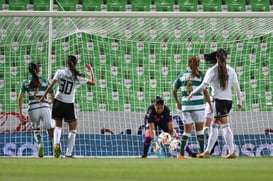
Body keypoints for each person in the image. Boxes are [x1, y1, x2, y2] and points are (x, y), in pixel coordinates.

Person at [188, 48, 242, 159]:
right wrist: (239, 101)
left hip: (218, 101)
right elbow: (237, 87)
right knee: (214, 125)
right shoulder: (231, 70)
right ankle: (207, 152)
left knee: (225, 126)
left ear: (216, 58)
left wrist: (192, 92)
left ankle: (232, 151)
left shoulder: (212, 70)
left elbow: (204, 86)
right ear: (225, 57)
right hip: (228, 101)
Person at [39, 55, 95, 158]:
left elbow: (51, 85)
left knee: (58, 126)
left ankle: (56, 144)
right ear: (76, 63)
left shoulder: (60, 72)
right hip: (69, 104)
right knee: (73, 129)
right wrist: (90, 69)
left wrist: (43, 97)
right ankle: (68, 154)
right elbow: (93, 82)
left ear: (67, 62)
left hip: (58, 102)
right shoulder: (77, 76)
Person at [173, 55, 212, 159]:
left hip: (186, 106)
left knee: (187, 132)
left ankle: (181, 154)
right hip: (198, 106)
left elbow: (174, 90)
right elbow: (205, 92)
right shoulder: (201, 75)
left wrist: (178, 102)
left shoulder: (182, 75)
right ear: (198, 64)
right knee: (199, 131)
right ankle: (202, 152)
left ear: (188, 63)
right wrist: (210, 105)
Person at [18, 62, 55, 158]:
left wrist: (21, 112)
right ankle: (56, 144)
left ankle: (40, 144)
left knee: (36, 128)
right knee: (50, 128)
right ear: (38, 70)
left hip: (33, 108)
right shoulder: (46, 81)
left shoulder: (26, 82)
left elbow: (20, 98)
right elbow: (53, 97)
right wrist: (49, 101)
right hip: (44, 107)